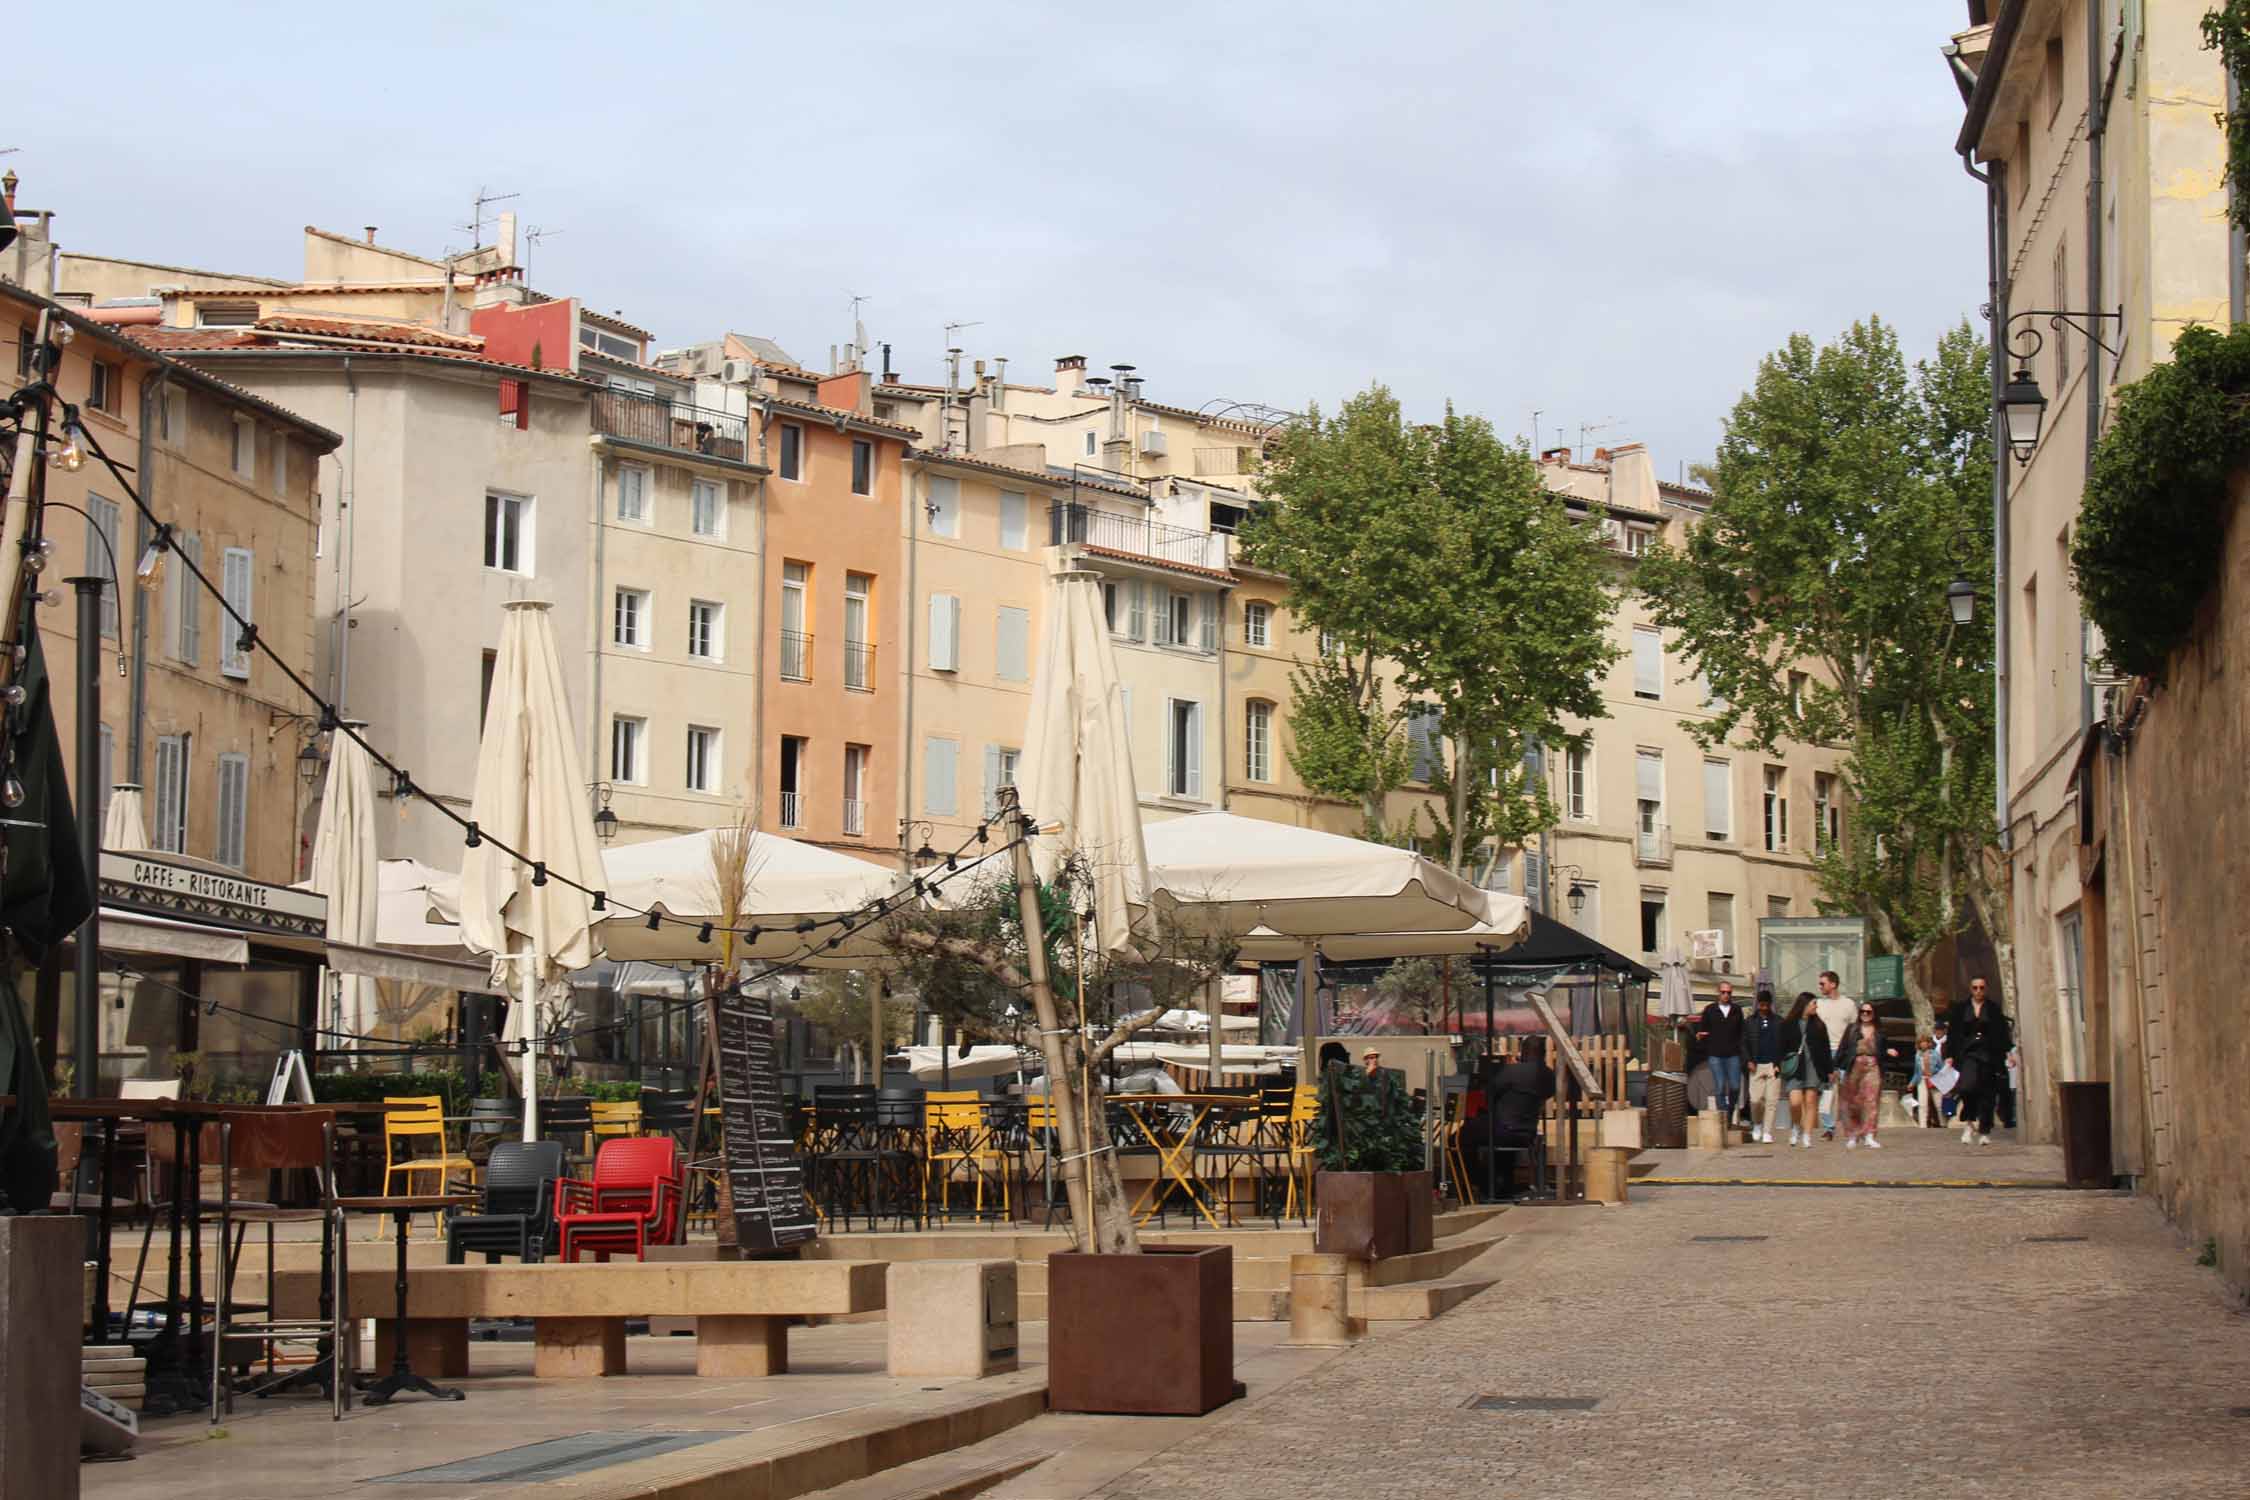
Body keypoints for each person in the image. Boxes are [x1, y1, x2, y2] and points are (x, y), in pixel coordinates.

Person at [1468, 1039, 1555, 1199]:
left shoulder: (1511, 1071)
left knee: (1461, 1137)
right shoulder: (1549, 1075)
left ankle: (1479, 1183)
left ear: (1524, 1052)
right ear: (1543, 1053)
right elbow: (1547, 1094)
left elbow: (1489, 1094)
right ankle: (1503, 1185)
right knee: (1498, 1137)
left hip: (1504, 1130)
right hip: (1527, 1133)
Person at [1946, 978, 2014, 1145]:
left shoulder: (1993, 1008)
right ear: (1970, 989)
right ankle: (1969, 1123)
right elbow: (1953, 1033)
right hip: (1968, 1054)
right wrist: (1949, 1055)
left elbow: (2001, 1033)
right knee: (1967, 1087)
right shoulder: (1961, 1009)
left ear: (1986, 989)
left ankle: (1984, 1130)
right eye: (1975, 988)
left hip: (1989, 1055)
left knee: (1987, 1094)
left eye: (1981, 988)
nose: (1978, 991)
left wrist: (2008, 1054)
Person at [1833, 1001, 1902, 1148]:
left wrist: (1888, 1051)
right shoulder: (1852, 1029)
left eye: (1868, 1012)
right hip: (1854, 1064)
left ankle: (1870, 1134)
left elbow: (1882, 1049)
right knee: (1852, 1101)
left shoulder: (1879, 1031)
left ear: (1874, 1014)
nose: (1865, 1014)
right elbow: (1843, 1048)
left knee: (1872, 1100)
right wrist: (1835, 1067)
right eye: (1862, 1012)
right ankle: (1853, 1134)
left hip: (1873, 1065)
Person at [1779, 992, 1832, 1149]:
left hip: (1814, 1067)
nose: (1816, 1007)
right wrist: (1777, 1063)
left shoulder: (1819, 1025)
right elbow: (1781, 1046)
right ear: (1805, 1005)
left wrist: (1829, 1069)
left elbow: (1825, 1049)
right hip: (1796, 1067)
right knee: (1795, 1102)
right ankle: (1796, 1126)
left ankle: (1807, 1135)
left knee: (1811, 1101)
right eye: (1813, 1004)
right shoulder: (1788, 1024)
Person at [1812, 970, 1857, 1139]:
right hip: (1825, 1052)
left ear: (1833, 984)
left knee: (1847, 1091)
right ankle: (1829, 1127)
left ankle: (1849, 1125)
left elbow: (1855, 1029)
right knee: (1826, 1090)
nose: (1820, 986)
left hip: (1844, 1052)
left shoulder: (1849, 1004)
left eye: (1822, 983)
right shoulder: (1819, 1005)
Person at [1695, 983, 1747, 1123]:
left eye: (1729, 992)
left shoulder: (1737, 1010)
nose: (1726, 995)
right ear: (1718, 993)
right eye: (1723, 992)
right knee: (1720, 1086)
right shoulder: (1710, 1010)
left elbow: (1742, 1032)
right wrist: (1703, 1039)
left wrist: (1742, 1050)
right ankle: (1723, 1116)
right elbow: (1702, 1029)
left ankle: (1729, 1111)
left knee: (1735, 1086)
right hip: (1715, 1054)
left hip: (1733, 1054)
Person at [1744, 989, 1787, 1143]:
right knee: (1755, 1100)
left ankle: (1767, 1131)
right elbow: (1744, 1043)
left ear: (1770, 1004)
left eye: (1766, 1005)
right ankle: (1756, 1124)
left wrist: (1778, 1062)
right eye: (1761, 1004)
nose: (1763, 1008)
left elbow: (1783, 1044)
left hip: (1773, 1065)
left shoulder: (1779, 1021)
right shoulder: (1749, 1021)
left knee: (1772, 1100)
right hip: (1756, 1065)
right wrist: (1748, 1060)